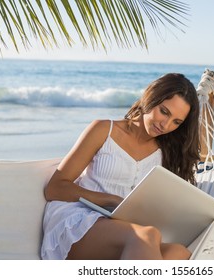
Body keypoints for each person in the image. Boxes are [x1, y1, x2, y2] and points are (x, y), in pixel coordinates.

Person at [41, 73, 200, 260]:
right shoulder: (104, 130)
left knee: (178, 252)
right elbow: (55, 188)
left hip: (125, 228)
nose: (165, 125)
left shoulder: (167, 153)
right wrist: (110, 199)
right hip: (79, 221)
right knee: (147, 235)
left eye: (176, 122)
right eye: (164, 111)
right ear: (151, 97)